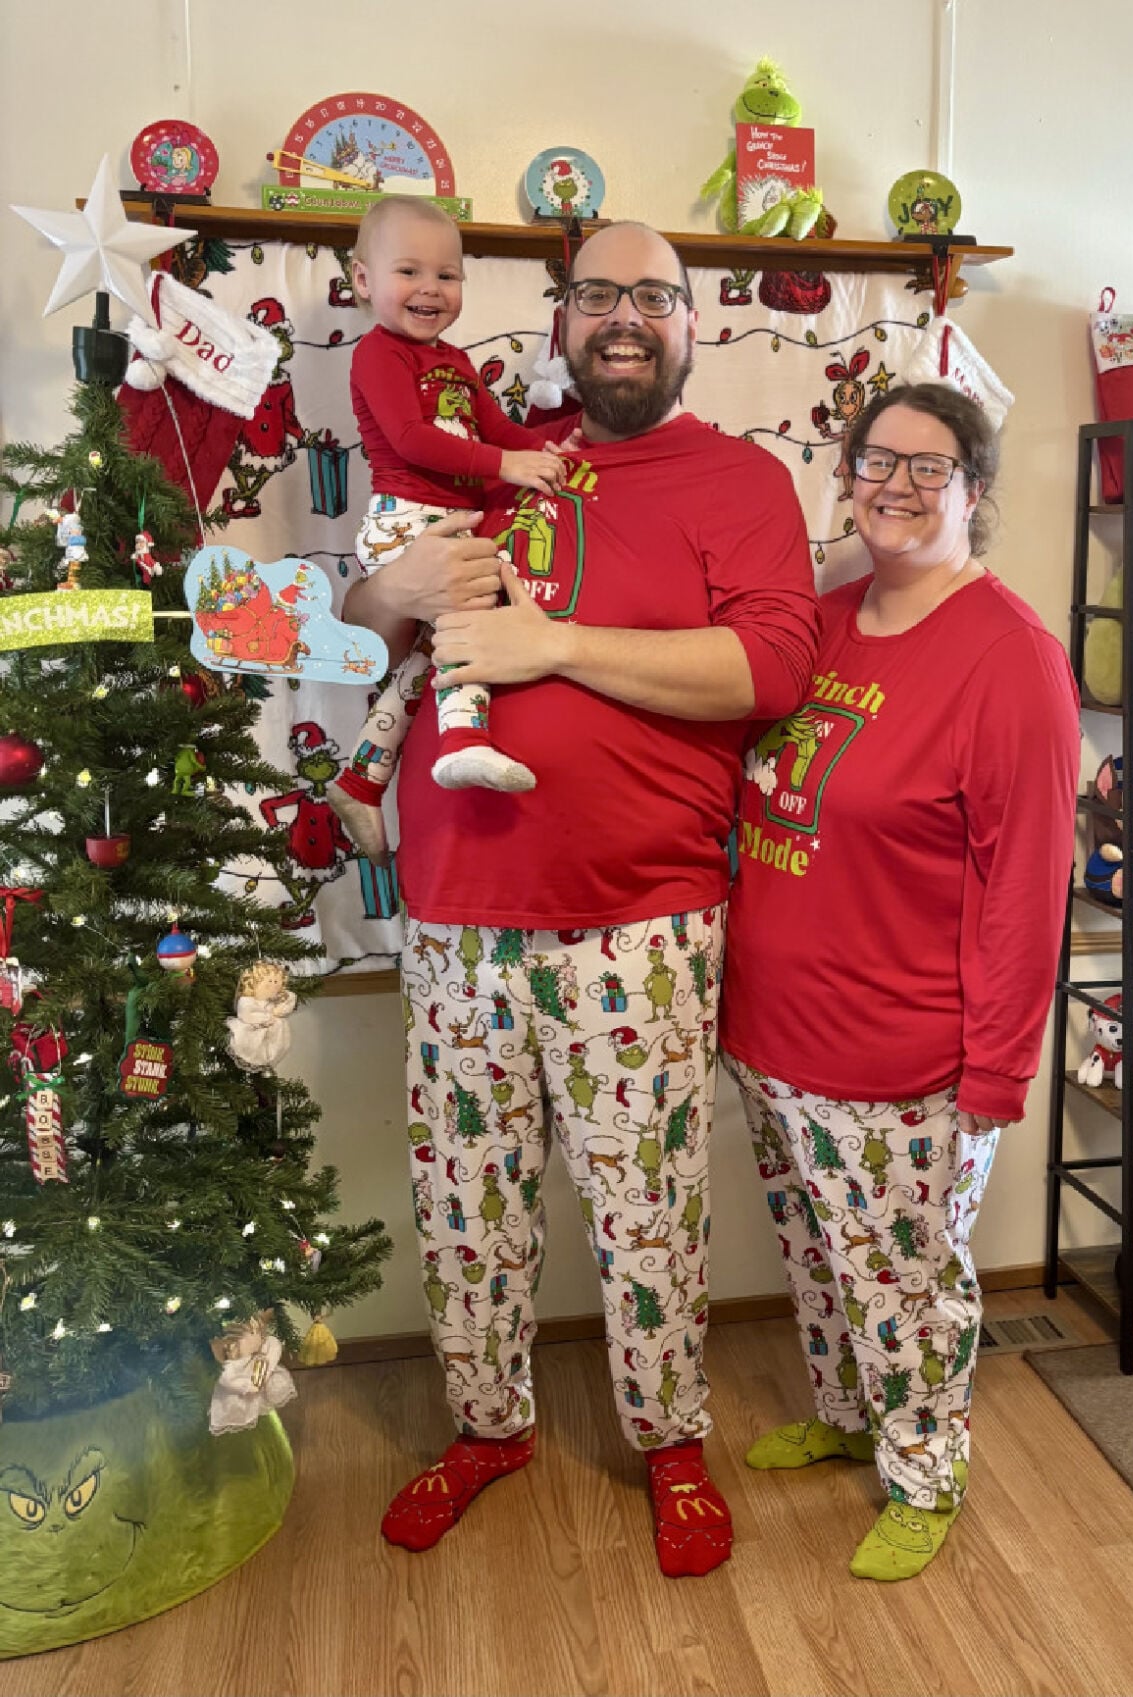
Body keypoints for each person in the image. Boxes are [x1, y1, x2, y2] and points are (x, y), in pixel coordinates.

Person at [343, 220, 820, 1578]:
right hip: (452, 913)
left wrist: (553, 645)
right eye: (597, 294)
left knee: (647, 1204)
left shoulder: (737, 480)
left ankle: (669, 1440)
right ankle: (487, 1426)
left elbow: (770, 671)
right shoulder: (468, 454)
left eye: (652, 298)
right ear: (556, 318)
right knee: (466, 1202)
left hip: (644, 922)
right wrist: (389, 585)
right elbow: (345, 644)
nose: (623, 318)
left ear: (689, 323)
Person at [719, 383, 1079, 1582]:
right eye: (877, 459)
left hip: (904, 1059)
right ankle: (848, 1411)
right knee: (821, 1257)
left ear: (974, 492)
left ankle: (926, 1465)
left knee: (909, 1289)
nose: (895, 485)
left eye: (930, 468)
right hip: (774, 1036)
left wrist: (995, 1071)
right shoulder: (815, 623)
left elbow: (1027, 888)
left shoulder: (1010, 657)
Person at [329, 196, 567, 865]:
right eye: (409, 271)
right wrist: (505, 464)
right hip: (405, 522)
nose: (431, 288)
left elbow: (498, 431)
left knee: (425, 659)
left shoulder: (456, 362)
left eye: (448, 274)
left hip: (442, 522)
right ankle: (463, 745)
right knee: (470, 623)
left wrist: (553, 450)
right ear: (364, 279)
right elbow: (411, 440)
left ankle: (360, 778)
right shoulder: (379, 356)